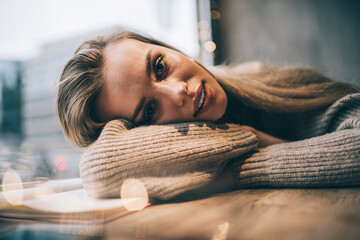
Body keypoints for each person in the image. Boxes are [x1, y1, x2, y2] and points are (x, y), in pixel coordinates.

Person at [57, 29, 360, 201]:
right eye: (149, 112)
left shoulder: (269, 81)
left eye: (159, 66)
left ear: (168, 48)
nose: (178, 93)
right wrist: (244, 139)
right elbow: (99, 171)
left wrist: (245, 158)